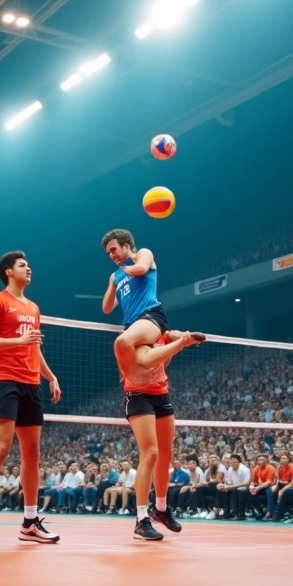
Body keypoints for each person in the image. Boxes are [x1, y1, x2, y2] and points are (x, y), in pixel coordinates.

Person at [0, 250, 61, 546]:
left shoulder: (33, 307)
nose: (29, 268)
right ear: (9, 272)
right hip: (4, 380)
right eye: (23, 265)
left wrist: (50, 376)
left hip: (31, 383)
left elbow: (34, 347)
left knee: (32, 453)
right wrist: (18, 341)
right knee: (0, 447)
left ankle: (30, 522)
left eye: (29, 264)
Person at [119, 329, 205, 540]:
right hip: (138, 396)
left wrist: (187, 337)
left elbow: (175, 335)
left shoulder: (162, 334)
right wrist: (183, 343)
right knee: (150, 454)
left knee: (166, 455)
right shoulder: (134, 338)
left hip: (162, 395)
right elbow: (147, 361)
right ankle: (141, 520)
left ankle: (160, 509)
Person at [101, 229, 168, 379]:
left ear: (126, 246)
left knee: (122, 342)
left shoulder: (143, 254)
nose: (111, 255)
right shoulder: (115, 276)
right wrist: (113, 281)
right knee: (146, 372)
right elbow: (106, 308)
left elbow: (141, 268)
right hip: (131, 326)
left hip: (150, 316)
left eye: (113, 250)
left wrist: (123, 270)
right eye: (108, 253)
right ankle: (168, 340)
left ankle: (175, 339)